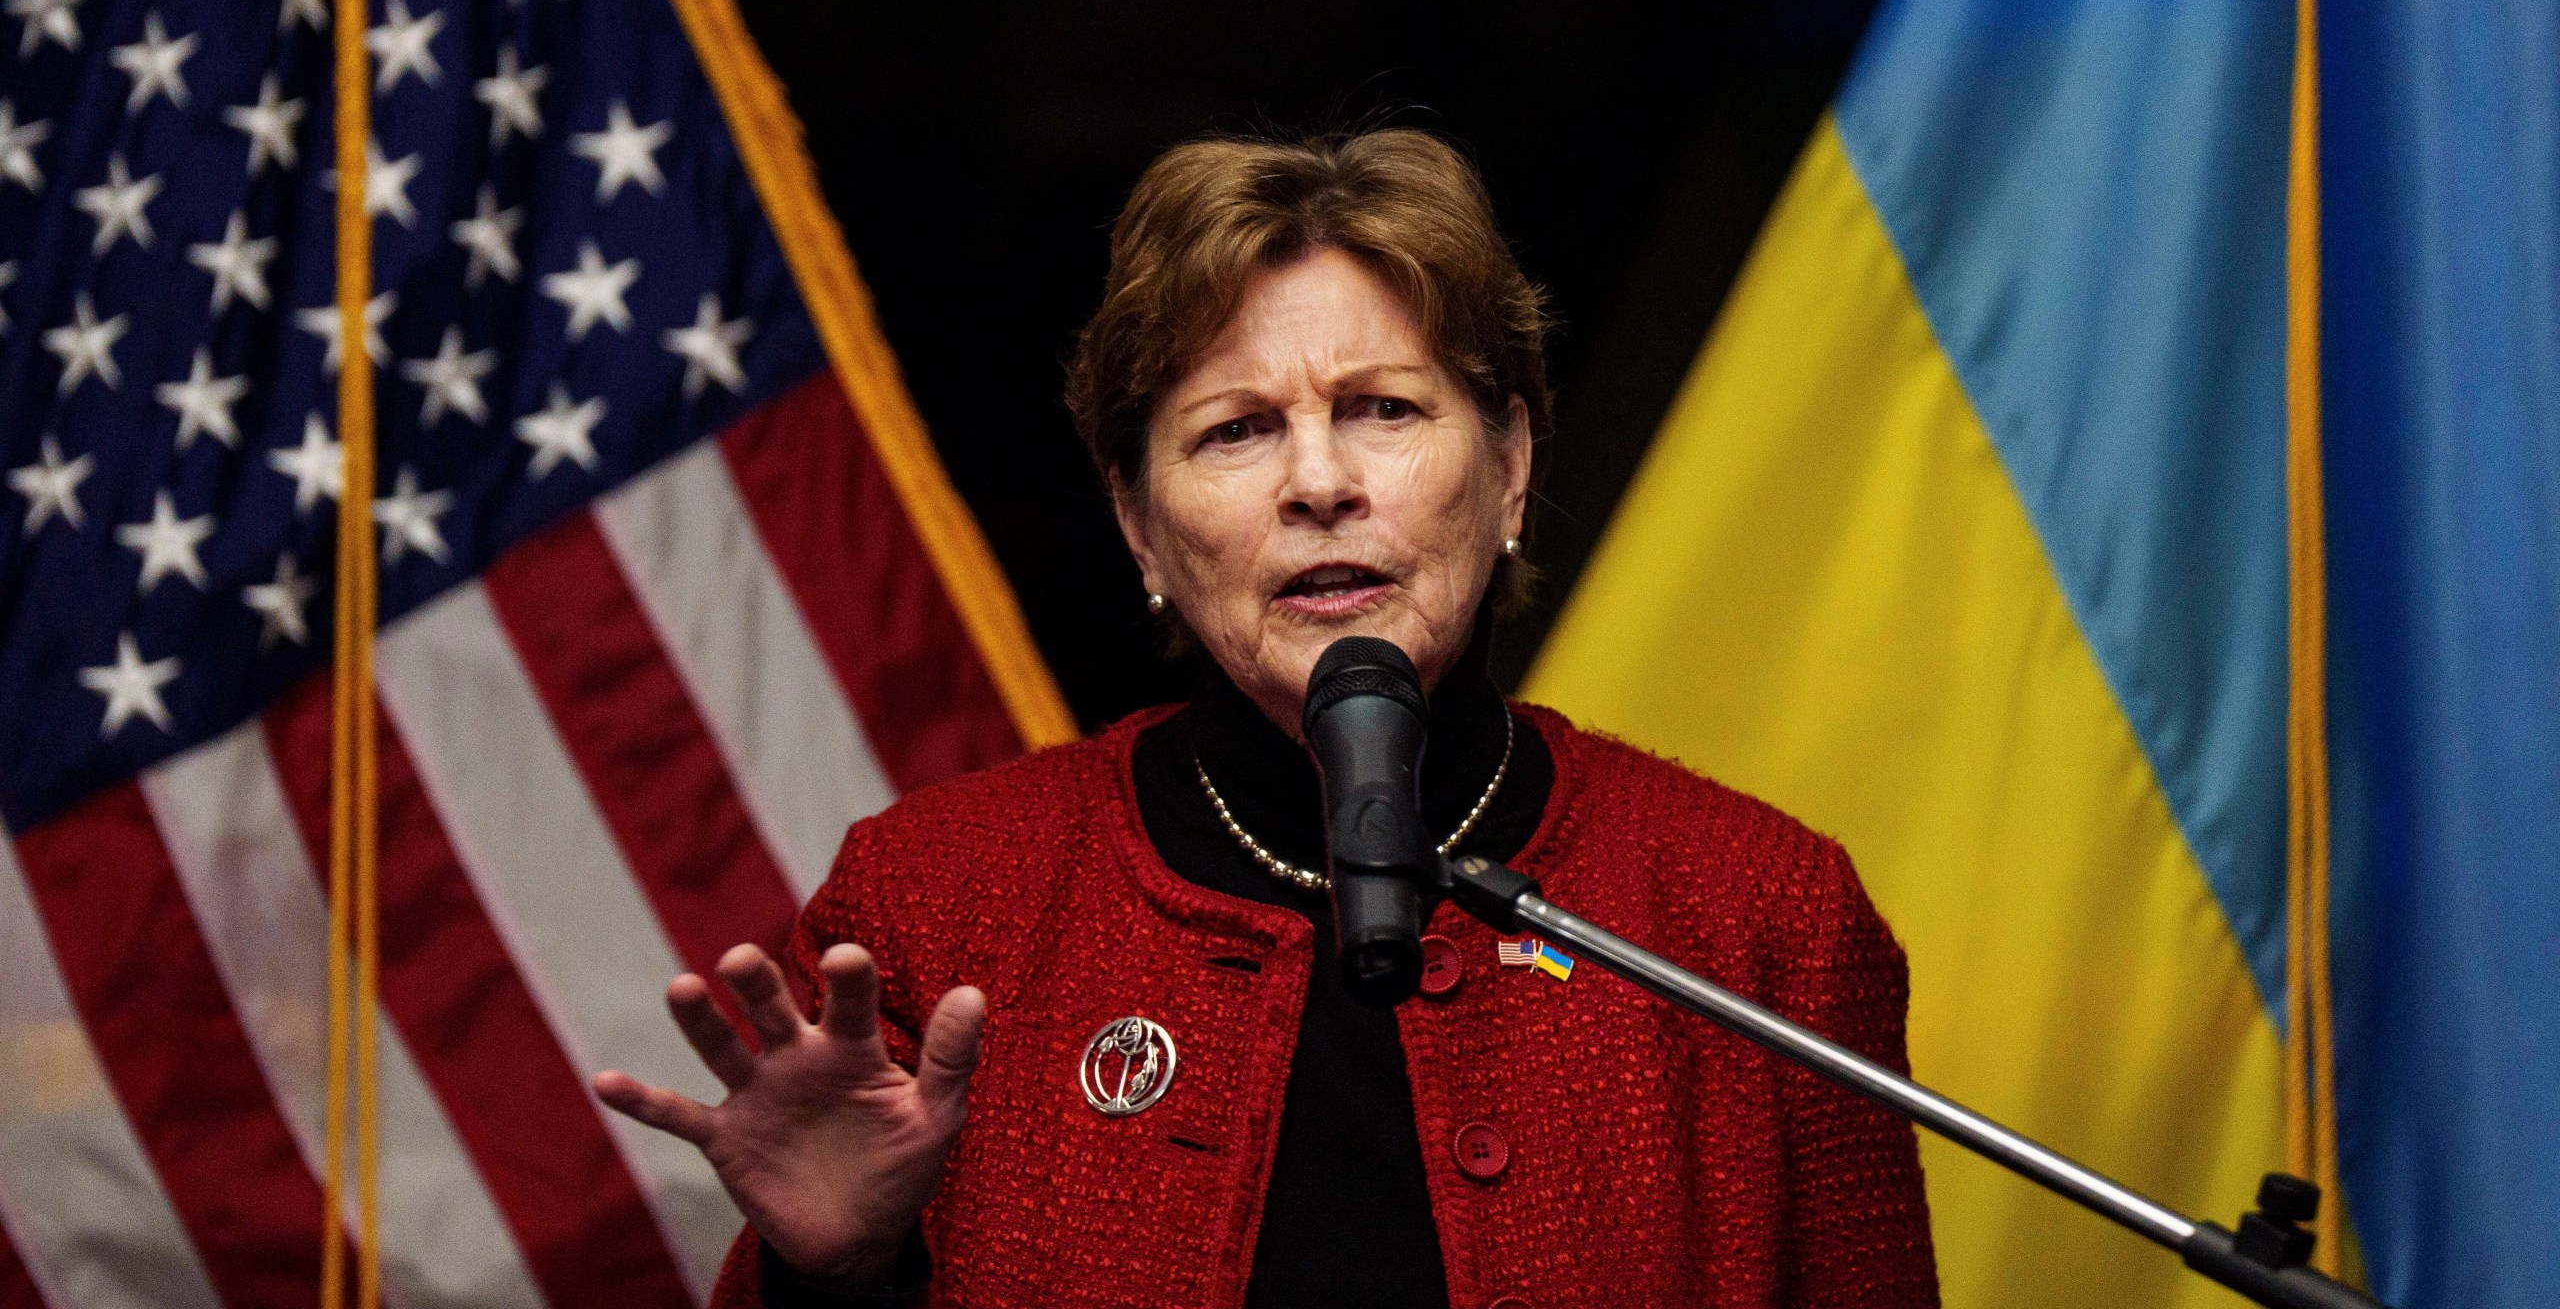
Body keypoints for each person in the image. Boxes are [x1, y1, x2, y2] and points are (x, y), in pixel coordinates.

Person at [592, 128, 1939, 1308]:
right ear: (1140, 525)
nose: (1319, 482)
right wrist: (840, 1281)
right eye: (1236, 430)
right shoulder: (941, 900)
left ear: (1511, 467)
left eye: (1384, 410)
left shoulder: (1765, 916)